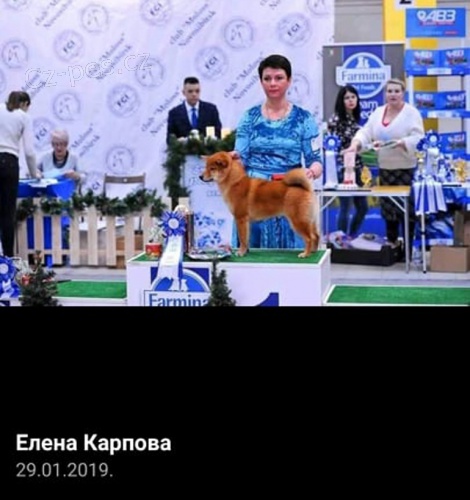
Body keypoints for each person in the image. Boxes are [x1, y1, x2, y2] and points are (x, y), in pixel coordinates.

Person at [233, 54, 322, 249]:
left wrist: (311, 172)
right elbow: (240, 157)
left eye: (279, 78)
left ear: (289, 80)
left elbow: (316, 160)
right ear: (261, 82)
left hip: (290, 193)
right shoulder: (248, 118)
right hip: (254, 197)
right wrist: (234, 161)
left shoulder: (304, 119)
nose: (272, 83)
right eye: (267, 78)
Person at [343, 78, 424, 255]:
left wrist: (402, 143)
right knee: (388, 211)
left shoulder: (412, 113)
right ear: (385, 94)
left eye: (397, 91)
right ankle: (392, 248)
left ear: (403, 93)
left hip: (406, 170)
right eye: (389, 91)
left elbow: (419, 138)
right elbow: (366, 131)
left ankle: (408, 251)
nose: (393, 94)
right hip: (385, 170)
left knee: (407, 212)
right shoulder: (378, 113)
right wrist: (356, 143)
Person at [0, 91, 38, 257]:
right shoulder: (24, 117)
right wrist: (34, 173)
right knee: (7, 214)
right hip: (9, 163)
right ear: (25, 104)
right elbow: (29, 152)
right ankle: (7, 259)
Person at [327, 85, 368, 237]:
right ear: (341, 100)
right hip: (343, 168)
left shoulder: (356, 118)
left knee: (363, 207)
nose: (350, 100)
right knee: (345, 207)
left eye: (353, 97)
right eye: (346, 98)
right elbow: (333, 146)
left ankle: (351, 236)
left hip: (357, 167)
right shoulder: (335, 120)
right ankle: (341, 240)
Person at [166, 76, 222, 143]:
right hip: (184, 149)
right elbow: (170, 139)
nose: (194, 94)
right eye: (190, 91)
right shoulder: (174, 113)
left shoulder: (211, 110)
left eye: (197, 91)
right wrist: (182, 141)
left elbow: (219, 133)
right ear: (183, 92)